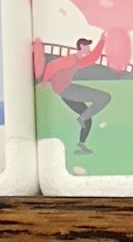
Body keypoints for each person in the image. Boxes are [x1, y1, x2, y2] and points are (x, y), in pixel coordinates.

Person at [37, 28, 111, 156]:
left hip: (65, 94)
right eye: (87, 46)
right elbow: (51, 66)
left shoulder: (78, 61)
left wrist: (102, 41)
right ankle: (82, 118)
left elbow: (93, 58)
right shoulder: (70, 59)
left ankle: (81, 144)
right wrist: (44, 82)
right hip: (68, 90)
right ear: (81, 47)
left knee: (87, 117)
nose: (89, 49)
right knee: (104, 97)